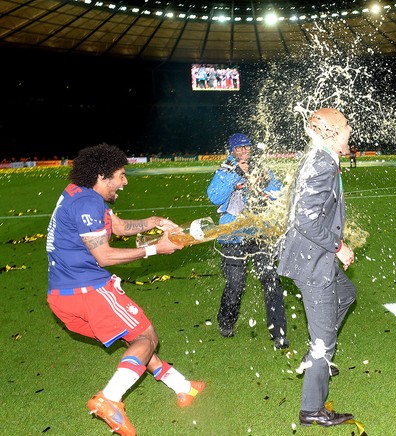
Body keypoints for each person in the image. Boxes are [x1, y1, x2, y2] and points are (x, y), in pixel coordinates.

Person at [46, 144, 205, 436]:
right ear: (101, 175)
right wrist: (157, 249)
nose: (125, 181)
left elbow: (117, 226)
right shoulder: (89, 203)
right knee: (147, 336)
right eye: (120, 175)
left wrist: (154, 222)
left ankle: (183, 388)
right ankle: (110, 398)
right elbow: (104, 256)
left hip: (61, 297)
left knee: (134, 340)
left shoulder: (78, 193)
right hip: (89, 291)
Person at [277, 108, 357, 427]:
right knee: (324, 341)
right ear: (333, 133)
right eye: (346, 126)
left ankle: (316, 354)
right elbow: (305, 218)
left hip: (311, 254)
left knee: (347, 294)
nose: (350, 130)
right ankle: (312, 408)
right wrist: (339, 246)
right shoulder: (323, 163)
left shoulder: (320, 155)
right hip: (314, 261)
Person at [207, 133, 289, 349]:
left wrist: (267, 184)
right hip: (233, 235)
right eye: (238, 149)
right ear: (231, 151)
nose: (243, 152)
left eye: (246, 147)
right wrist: (236, 175)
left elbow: (279, 194)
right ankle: (226, 322)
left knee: (271, 280)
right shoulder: (225, 170)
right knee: (236, 284)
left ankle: (278, 332)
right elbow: (214, 197)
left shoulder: (260, 168)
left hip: (260, 232)